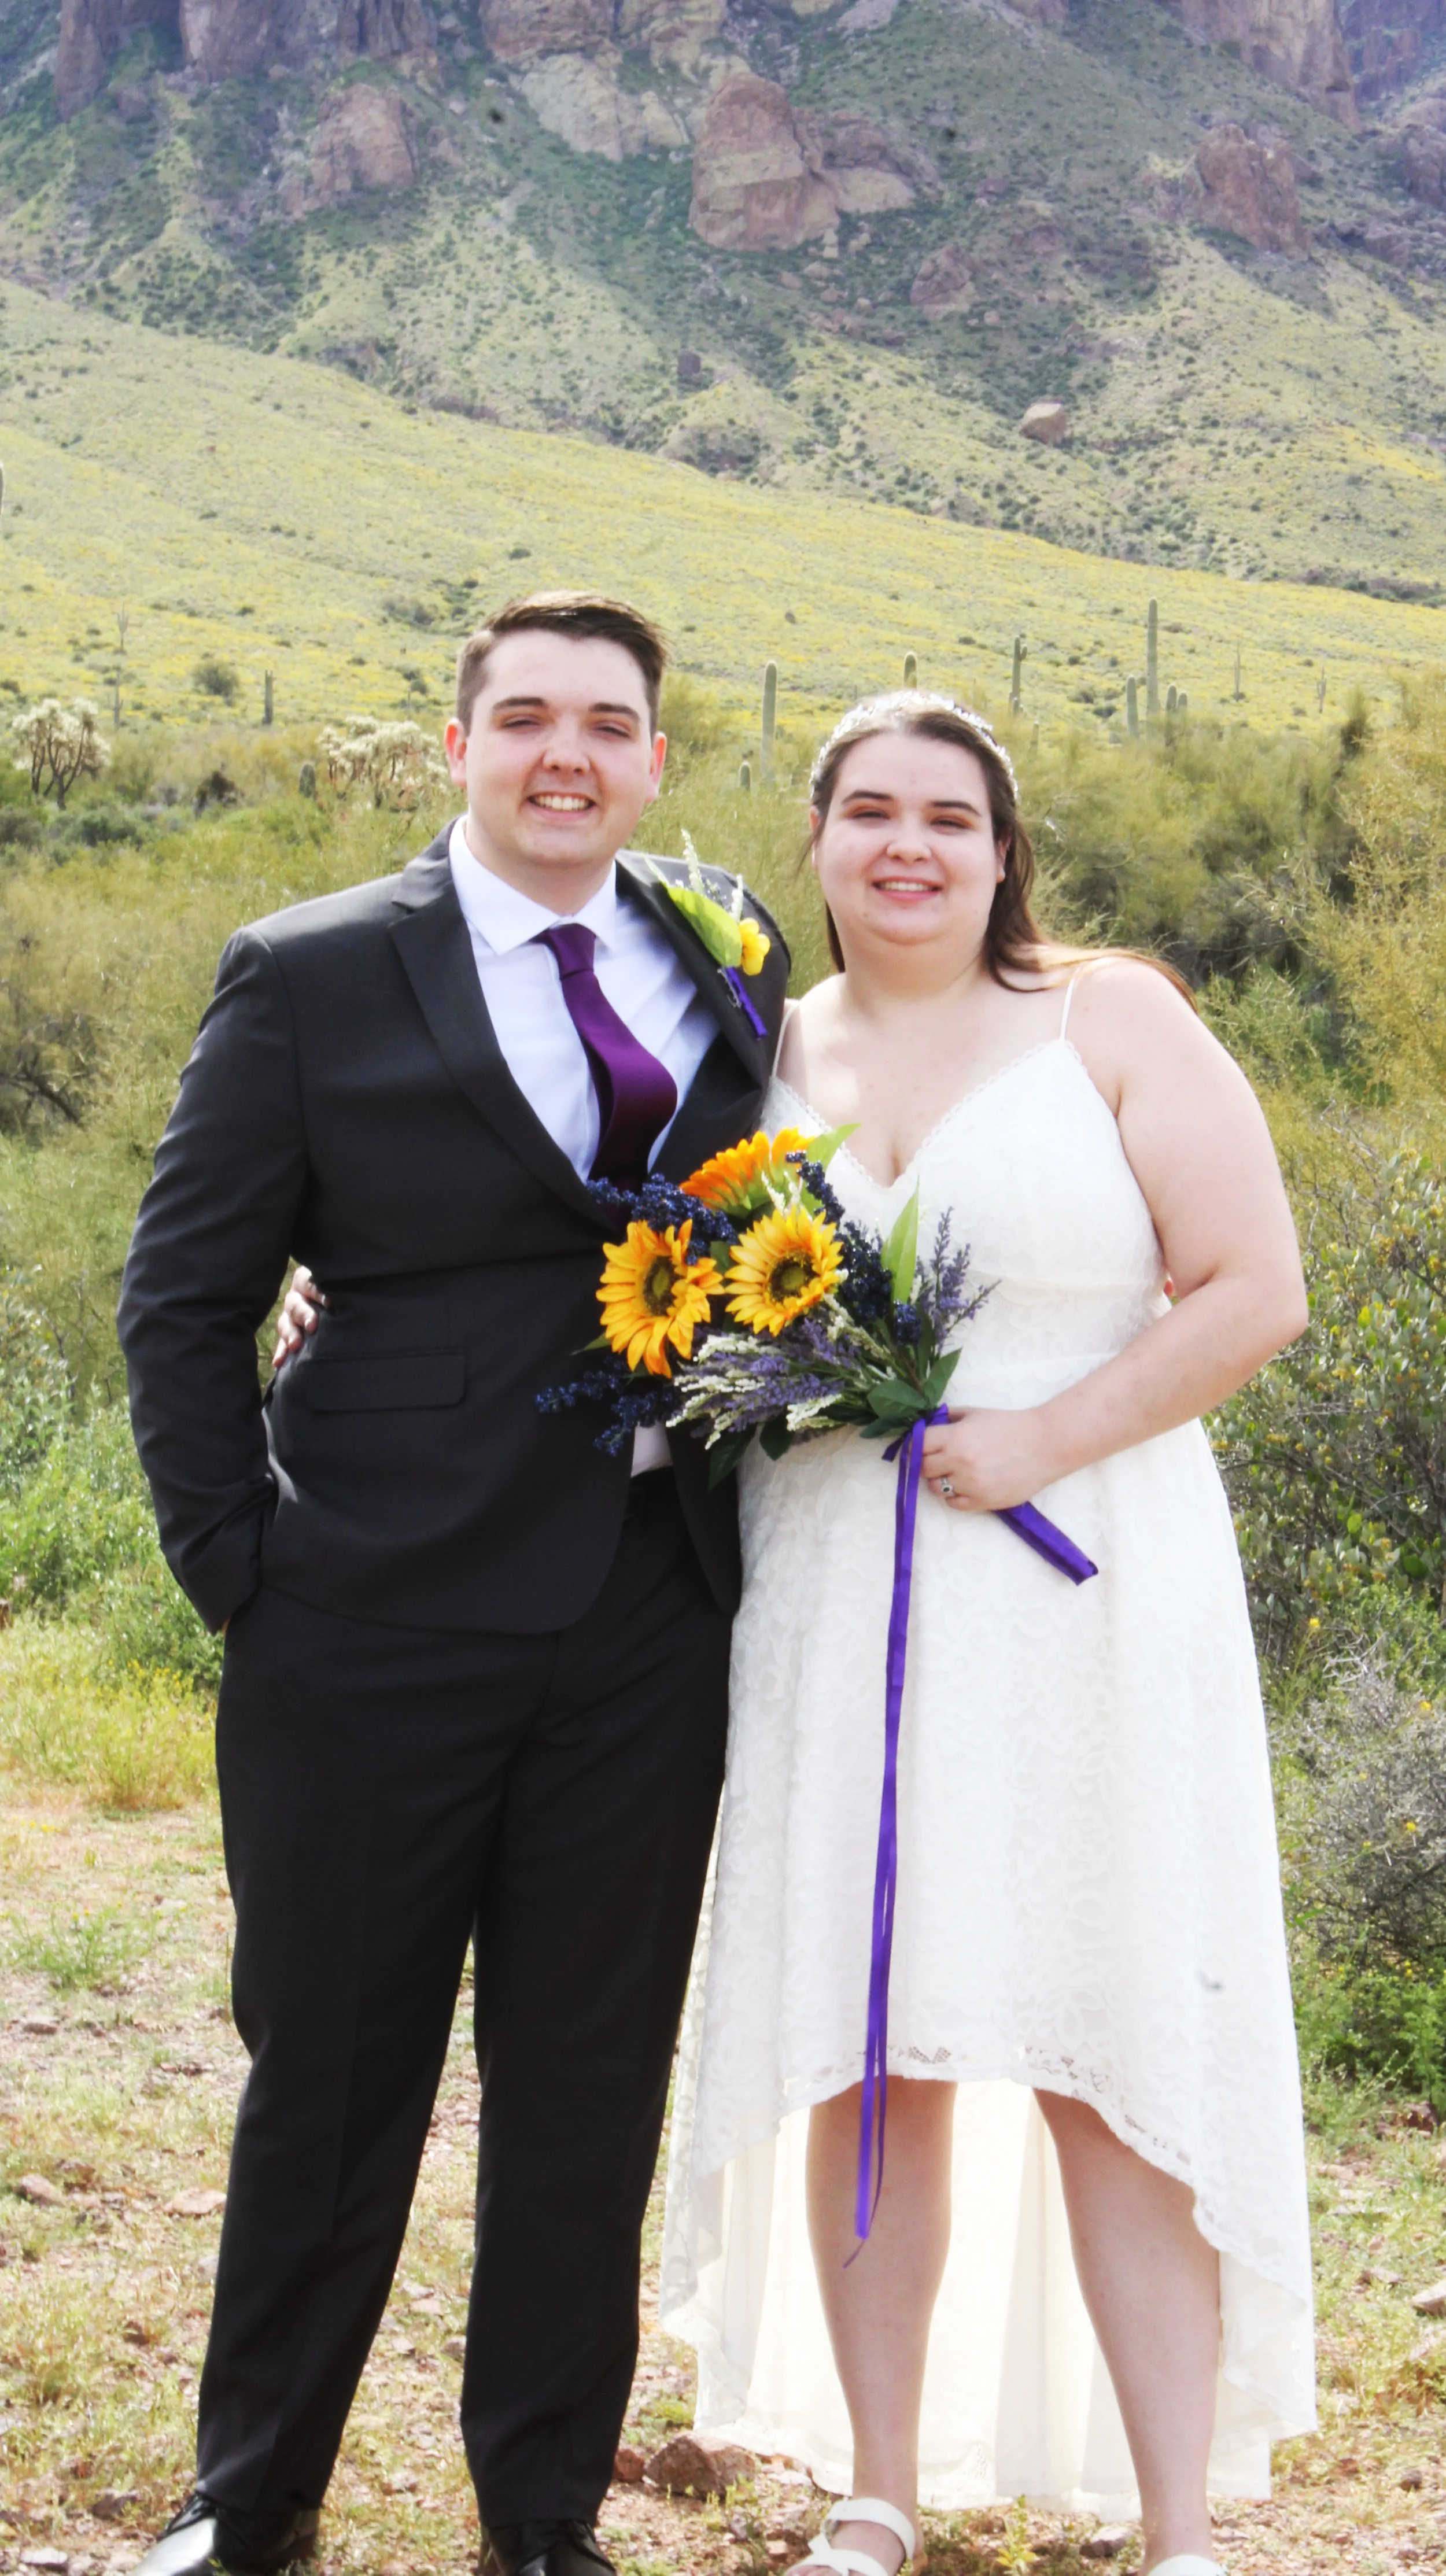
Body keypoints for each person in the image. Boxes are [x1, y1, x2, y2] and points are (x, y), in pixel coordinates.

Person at [115, 592, 789, 2576]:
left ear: (658, 755)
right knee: (329, 2073)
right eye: (524, 719)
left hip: (649, 1619)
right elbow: (184, 1294)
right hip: (365, 1618)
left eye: (605, 721)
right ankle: (250, 2501)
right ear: (459, 746)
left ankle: (543, 2517)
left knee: (584, 2087)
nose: (564, 752)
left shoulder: (723, 958)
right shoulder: (313, 971)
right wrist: (242, 1564)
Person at [657, 693, 1316, 2576]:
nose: (908, 847)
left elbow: (1251, 1286)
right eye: (869, 811)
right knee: (879, 2032)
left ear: (1003, 847)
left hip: (1082, 1567)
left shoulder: (1110, 1015)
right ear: (814, 837)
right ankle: (876, 2482)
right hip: (836, 1575)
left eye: (948, 815)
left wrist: (1043, 1433)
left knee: (1100, 2025)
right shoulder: (765, 1051)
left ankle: (1179, 2520)